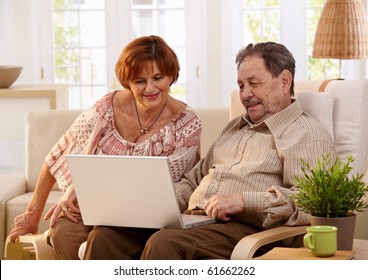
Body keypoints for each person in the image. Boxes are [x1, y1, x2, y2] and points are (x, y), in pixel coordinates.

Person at [82, 41, 337, 260]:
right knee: (106, 236)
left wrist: (244, 201)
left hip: (246, 230)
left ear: (284, 80)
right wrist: (156, 204)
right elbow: (194, 179)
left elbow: (310, 203)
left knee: (166, 244)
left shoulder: (306, 133)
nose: (246, 94)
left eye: (254, 83)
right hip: (194, 220)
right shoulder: (234, 128)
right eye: (241, 86)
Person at [8, 35, 202, 260]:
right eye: (140, 81)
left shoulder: (187, 124)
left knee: (103, 237)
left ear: (171, 76)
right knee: (64, 234)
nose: (150, 88)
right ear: (128, 81)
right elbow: (58, 155)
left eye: (158, 78)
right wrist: (32, 215)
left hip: (145, 220)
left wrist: (83, 188)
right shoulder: (106, 108)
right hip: (90, 208)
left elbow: (163, 189)